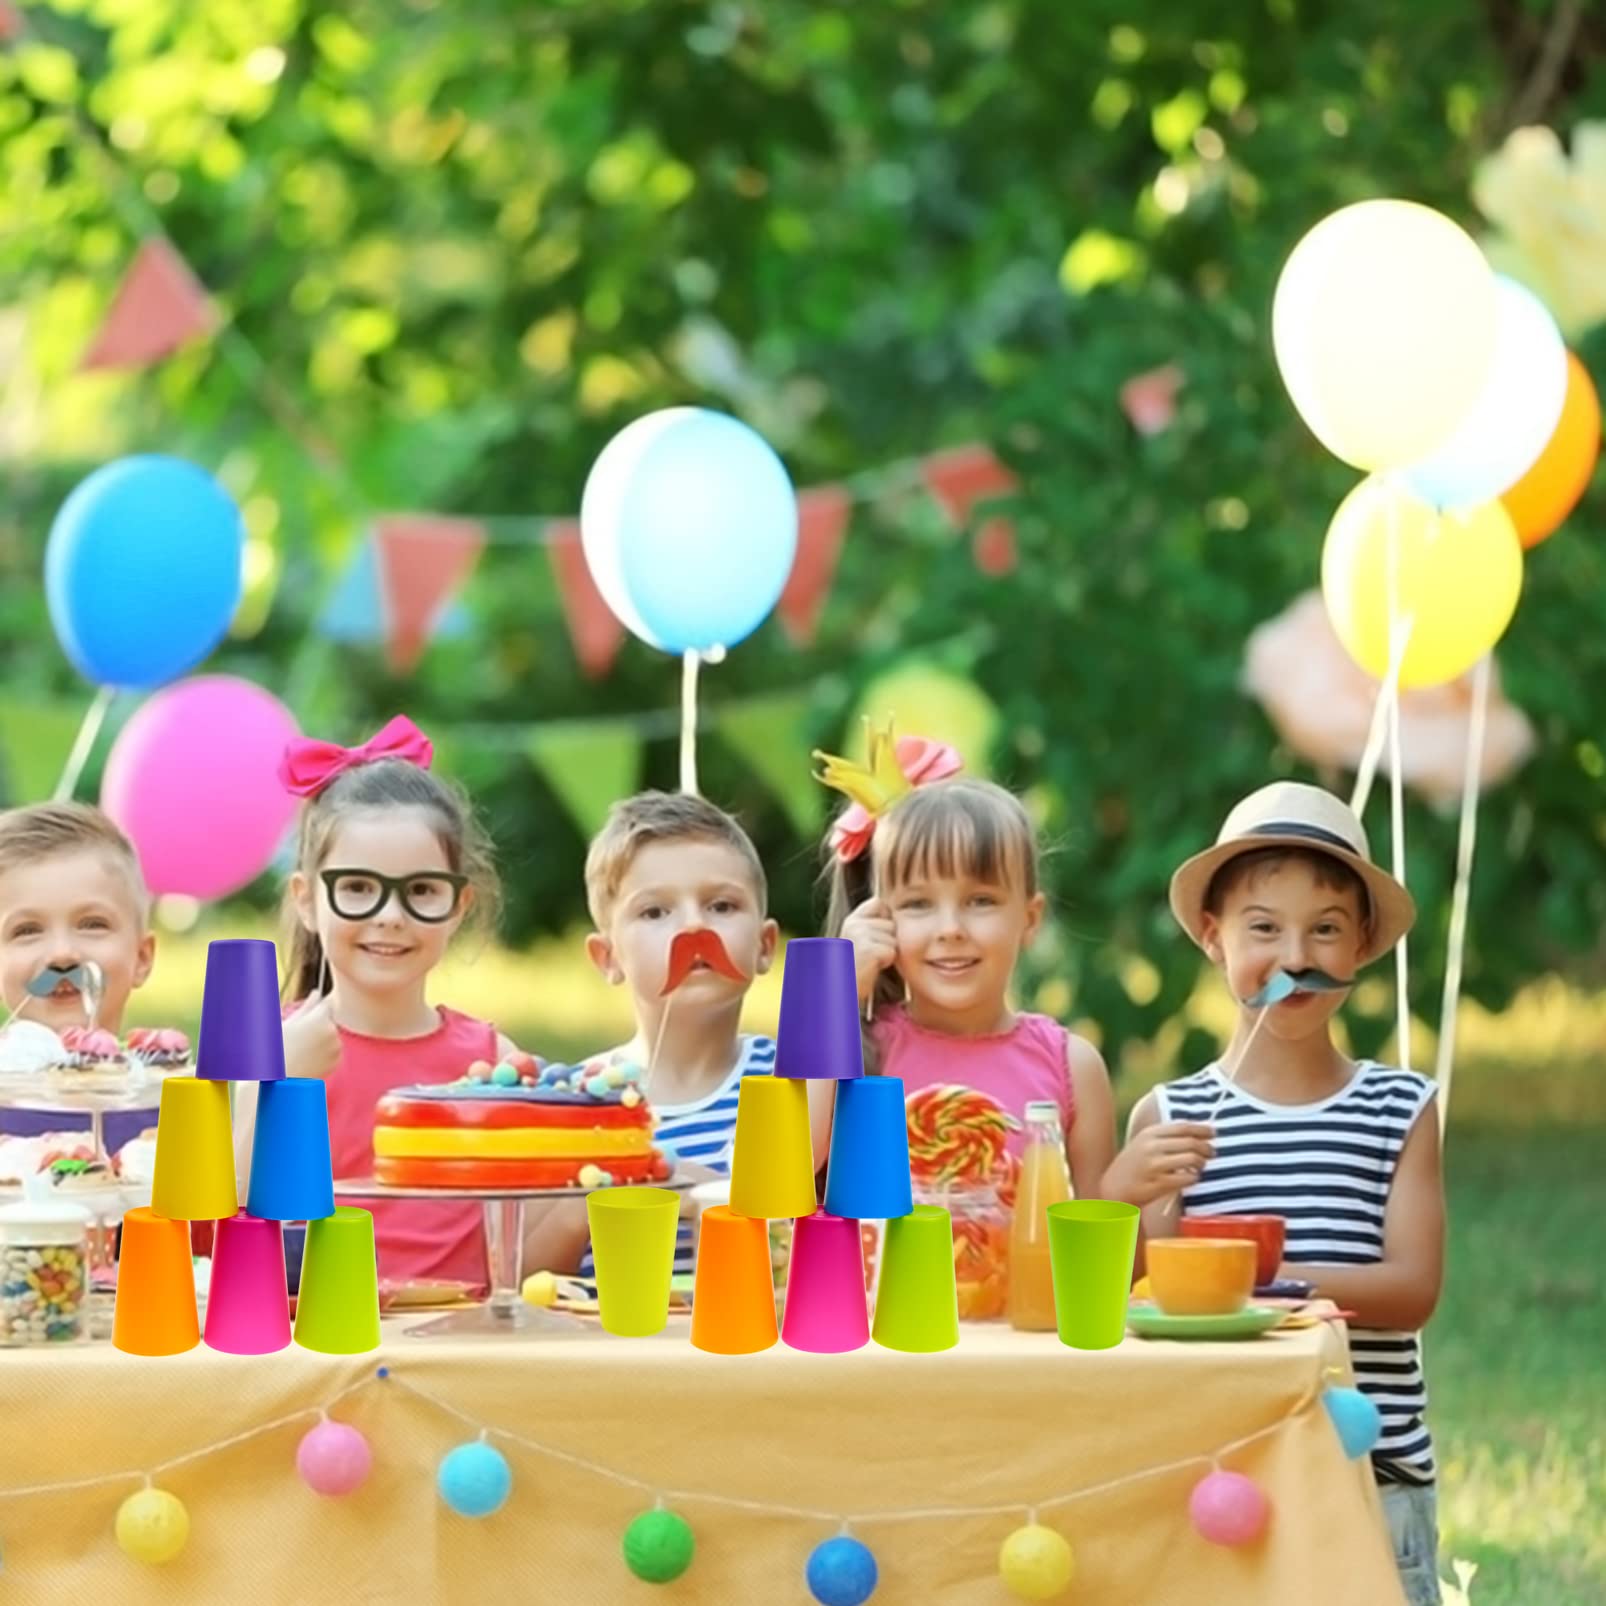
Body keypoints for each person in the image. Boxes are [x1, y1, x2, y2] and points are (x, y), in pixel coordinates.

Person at [1114, 780, 1444, 1606]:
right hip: (1218, 1475)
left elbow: (1411, 1291)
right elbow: (1141, 1294)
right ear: (1212, 937)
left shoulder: (1400, 1108)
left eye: (1325, 930)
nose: (1295, 957)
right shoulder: (1171, 1117)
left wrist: (1256, 1284)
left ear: (1363, 945)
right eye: (1264, 928)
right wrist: (1123, 1194)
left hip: (1372, 1473)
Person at [232, 715, 515, 1292]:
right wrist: (277, 1078)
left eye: (420, 892)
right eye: (358, 888)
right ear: (307, 901)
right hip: (311, 1343)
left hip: (456, 1347)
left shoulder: (492, 1063)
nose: (390, 915)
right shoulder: (265, 1051)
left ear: (459, 906)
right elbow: (214, 1206)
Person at [521, 791, 832, 1282]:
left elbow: (777, 1225)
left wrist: (674, 1180)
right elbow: (522, 1278)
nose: (692, 926)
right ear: (608, 958)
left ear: (765, 946)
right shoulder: (573, 1102)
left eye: (721, 905)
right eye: (654, 912)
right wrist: (583, 1203)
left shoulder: (789, 1079)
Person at [819, 725, 1119, 1196]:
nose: (951, 928)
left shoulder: (1072, 1067)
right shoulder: (858, 1049)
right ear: (878, 917)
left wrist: (1133, 1191)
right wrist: (835, 998)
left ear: (1030, 917)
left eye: (980, 900)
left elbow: (1105, 1256)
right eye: (918, 903)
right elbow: (785, 1169)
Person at [0, 803, 158, 1153]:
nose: (63, 955)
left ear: (142, 958)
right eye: (27, 930)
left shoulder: (168, 1100)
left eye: (92, 924)